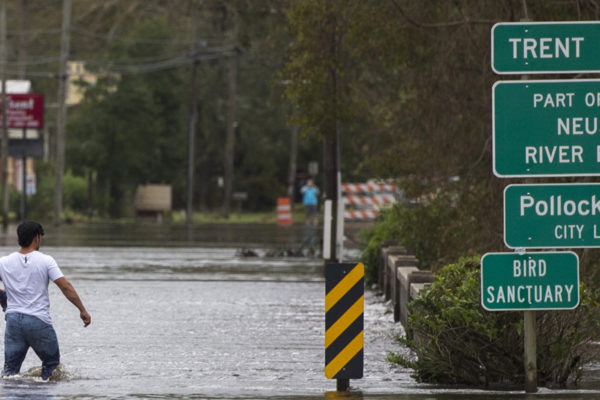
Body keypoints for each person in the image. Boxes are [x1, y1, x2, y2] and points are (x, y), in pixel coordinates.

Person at [0, 221, 91, 380]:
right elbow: (66, 287)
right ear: (37, 238)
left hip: (13, 321)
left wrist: (3, 297)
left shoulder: (3, 262)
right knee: (52, 366)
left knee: (10, 372)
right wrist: (82, 310)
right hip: (37, 320)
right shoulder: (46, 260)